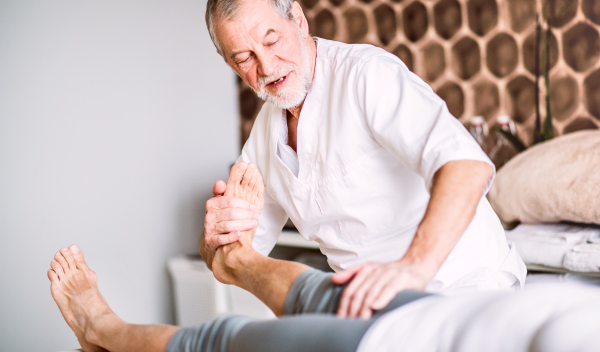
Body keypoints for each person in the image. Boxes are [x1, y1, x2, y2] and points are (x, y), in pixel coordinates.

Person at [199, 0, 526, 318]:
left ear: (297, 19)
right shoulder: (265, 135)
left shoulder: (366, 75)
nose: (266, 66)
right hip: (377, 313)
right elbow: (228, 261)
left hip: (466, 290)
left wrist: (414, 268)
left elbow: (466, 166)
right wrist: (214, 239)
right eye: (244, 58)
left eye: (271, 40)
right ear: (228, 62)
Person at [48, 164, 600, 352]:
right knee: (314, 287)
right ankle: (237, 261)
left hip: (391, 348)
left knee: (215, 340)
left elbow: (469, 164)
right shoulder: (277, 118)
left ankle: (103, 327)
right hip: (430, 308)